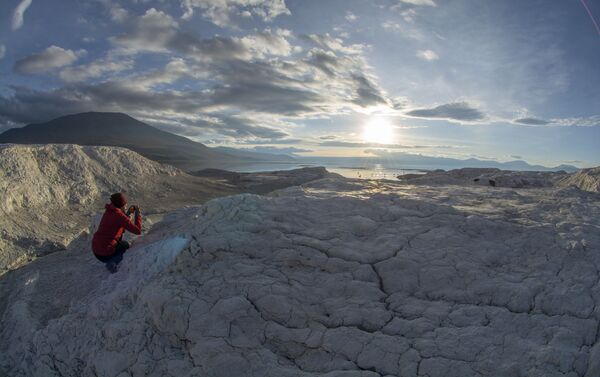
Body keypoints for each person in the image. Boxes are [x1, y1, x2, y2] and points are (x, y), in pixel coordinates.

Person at [92, 192, 142, 273]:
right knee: (126, 247)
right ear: (121, 205)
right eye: (125, 205)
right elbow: (138, 231)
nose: (126, 206)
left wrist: (128, 213)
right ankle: (112, 262)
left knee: (121, 243)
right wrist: (138, 214)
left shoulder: (109, 211)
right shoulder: (119, 215)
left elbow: (119, 221)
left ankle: (111, 259)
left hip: (96, 250)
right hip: (105, 254)